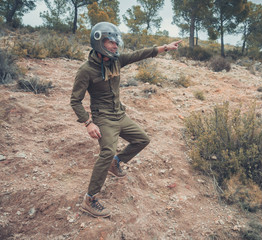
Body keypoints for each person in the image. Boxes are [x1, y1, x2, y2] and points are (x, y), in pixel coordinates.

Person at [70, 22, 182, 218]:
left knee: (142, 139)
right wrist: (88, 123)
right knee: (106, 151)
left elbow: (139, 53)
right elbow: (75, 101)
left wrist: (165, 47)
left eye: (116, 42)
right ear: (99, 42)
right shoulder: (86, 70)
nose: (115, 46)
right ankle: (90, 199)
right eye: (110, 42)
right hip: (103, 118)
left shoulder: (116, 61)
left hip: (119, 114)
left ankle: (117, 162)